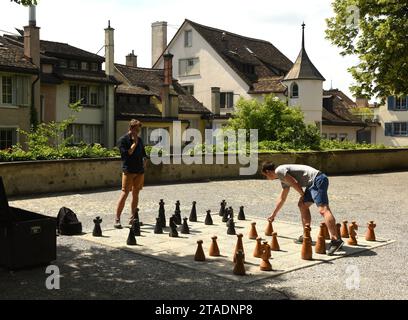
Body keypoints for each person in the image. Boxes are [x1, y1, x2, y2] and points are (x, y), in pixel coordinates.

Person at [261, 162, 344, 255]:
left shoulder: (279, 171)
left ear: (268, 172)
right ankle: (306, 235)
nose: (267, 178)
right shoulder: (282, 178)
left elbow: (294, 182)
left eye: (265, 176)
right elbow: (282, 198)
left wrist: (302, 193)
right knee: (302, 205)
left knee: (323, 209)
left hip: (318, 179)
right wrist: (273, 214)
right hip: (312, 183)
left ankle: (336, 240)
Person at [114, 119, 149, 228]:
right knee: (125, 193)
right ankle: (117, 219)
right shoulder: (123, 140)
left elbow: (144, 154)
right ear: (131, 128)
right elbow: (126, 154)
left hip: (139, 171)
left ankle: (132, 218)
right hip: (128, 171)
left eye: (139, 130)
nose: (138, 132)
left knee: (136, 194)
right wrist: (134, 143)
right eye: (136, 130)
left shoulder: (140, 139)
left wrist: (145, 162)